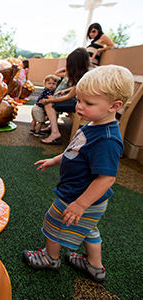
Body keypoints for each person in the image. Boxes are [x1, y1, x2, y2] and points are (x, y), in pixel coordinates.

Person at [22, 65, 134, 283]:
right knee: (89, 229)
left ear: (115, 106)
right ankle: (95, 267)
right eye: (79, 100)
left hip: (78, 196)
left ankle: (50, 258)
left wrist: (81, 204)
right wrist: (55, 160)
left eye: (88, 103)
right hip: (85, 197)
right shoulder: (94, 124)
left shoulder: (107, 139)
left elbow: (107, 178)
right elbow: (75, 151)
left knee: (53, 222)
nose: (79, 106)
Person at [40, 47, 91, 144]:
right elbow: (76, 87)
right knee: (53, 100)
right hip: (84, 101)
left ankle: (55, 132)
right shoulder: (86, 73)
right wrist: (65, 91)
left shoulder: (84, 77)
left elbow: (69, 97)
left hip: (83, 104)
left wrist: (48, 101)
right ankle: (52, 125)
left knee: (49, 104)